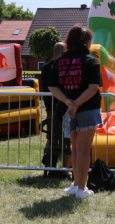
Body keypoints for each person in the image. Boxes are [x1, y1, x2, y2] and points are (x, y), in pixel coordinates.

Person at [48, 25, 103, 199]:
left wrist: (67, 102)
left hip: (67, 111)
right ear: (86, 42)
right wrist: (77, 103)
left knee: (75, 149)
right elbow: (93, 88)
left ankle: (75, 184)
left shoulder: (59, 61)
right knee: (84, 150)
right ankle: (81, 188)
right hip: (87, 109)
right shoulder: (91, 61)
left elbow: (52, 86)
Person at [40, 42, 72, 178]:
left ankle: (49, 165)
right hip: (62, 108)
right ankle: (65, 169)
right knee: (66, 138)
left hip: (50, 108)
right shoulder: (62, 65)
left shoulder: (45, 67)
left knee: (51, 138)